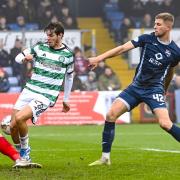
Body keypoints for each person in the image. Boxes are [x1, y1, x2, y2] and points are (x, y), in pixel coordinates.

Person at [88, 12, 180, 166]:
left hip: (154, 90)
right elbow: (122, 48)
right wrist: (99, 58)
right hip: (136, 87)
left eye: (158, 24)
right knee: (111, 114)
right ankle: (105, 158)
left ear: (168, 27)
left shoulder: (176, 52)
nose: (154, 26)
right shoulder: (147, 38)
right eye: (154, 23)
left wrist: (163, 89)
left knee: (165, 123)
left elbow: (170, 70)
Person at [10, 22, 74, 168]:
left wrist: (66, 99)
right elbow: (18, 58)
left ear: (60, 35)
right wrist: (25, 58)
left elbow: (69, 77)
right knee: (12, 128)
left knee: (20, 118)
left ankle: (25, 155)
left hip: (46, 95)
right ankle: (22, 156)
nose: (48, 38)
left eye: (51, 35)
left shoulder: (68, 55)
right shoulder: (39, 47)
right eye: (47, 35)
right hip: (29, 90)